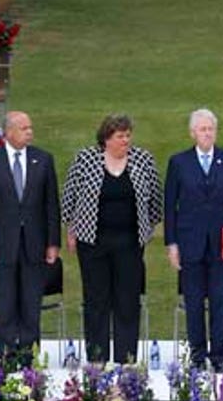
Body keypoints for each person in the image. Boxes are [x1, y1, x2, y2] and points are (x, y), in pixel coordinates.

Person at [62, 114, 162, 364]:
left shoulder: (143, 160)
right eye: (120, 136)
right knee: (96, 301)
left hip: (129, 244)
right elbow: (69, 198)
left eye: (128, 135)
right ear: (106, 139)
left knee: (128, 301)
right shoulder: (86, 159)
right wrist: (71, 229)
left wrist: (146, 229)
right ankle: (97, 359)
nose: (126, 141)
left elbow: (156, 201)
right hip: (92, 243)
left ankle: (126, 359)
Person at [164, 108, 223, 373]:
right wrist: (172, 244)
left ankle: (218, 356)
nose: (207, 133)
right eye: (202, 129)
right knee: (194, 302)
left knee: (221, 302)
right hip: (190, 243)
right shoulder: (178, 163)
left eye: (211, 128)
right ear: (192, 133)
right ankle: (197, 356)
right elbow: (170, 208)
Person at [0, 111, 60, 366]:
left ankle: (29, 356)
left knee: (31, 303)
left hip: (35, 243)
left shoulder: (43, 160)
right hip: (2, 244)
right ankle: (7, 355)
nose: (30, 132)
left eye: (30, 127)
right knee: (6, 303)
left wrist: (52, 242)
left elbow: (51, 205)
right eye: (24, 128)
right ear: (8, 132)